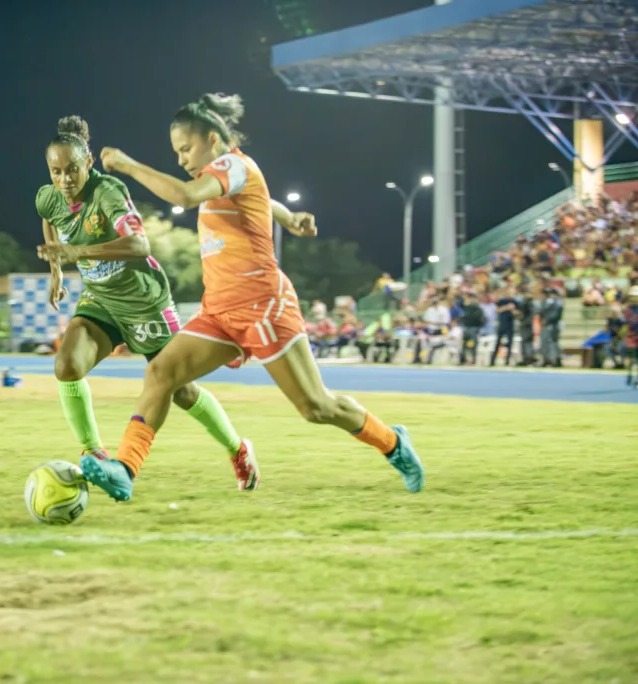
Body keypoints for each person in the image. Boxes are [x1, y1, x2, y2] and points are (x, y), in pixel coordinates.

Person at [84, 92, 423, 502]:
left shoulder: (232, 164)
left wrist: (126, 164)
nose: (181, 159)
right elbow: (258, 197)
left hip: (264, 305)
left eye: (185, 148)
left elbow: (185, 197)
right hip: (220, 312)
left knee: (315, 407)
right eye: (176, 152)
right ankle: (124, 469)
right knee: (161, 374)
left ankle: (392, 442)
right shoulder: (229, 175)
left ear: (212, 139)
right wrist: (287, 216)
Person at [35, 115, 311, 490]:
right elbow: (48, 218)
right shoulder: (48, 196)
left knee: (180, 391)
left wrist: (76, 251)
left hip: (144, 301)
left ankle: (237, 448)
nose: (64, 180)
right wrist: (55, 270)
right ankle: (95, 452)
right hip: (100, 300)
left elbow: (139, 246)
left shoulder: (109, 192)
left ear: (88, 164)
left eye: (71, 170)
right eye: (55, 172)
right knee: (66, 365)